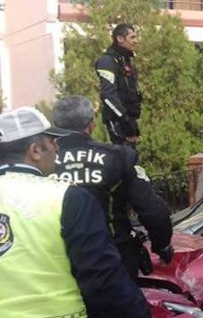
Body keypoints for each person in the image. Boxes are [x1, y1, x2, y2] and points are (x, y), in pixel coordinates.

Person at [0, 107, 149, 317]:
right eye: (52, 141)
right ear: (35, 151)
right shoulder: (66, 198)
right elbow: (103, 281)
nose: (57, 148)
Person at [52, 95, 173, 280]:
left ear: (55, 124)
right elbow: (153, 212)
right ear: (91, 124)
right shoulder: (117, 157)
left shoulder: (40, 163)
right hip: (113, 259)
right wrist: (162, 246)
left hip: (56, 261)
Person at [95, 23, 142, 149]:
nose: (136, 41)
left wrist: (132, 122)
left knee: (133, 160)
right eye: (132, 37)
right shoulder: (107, 61)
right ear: (120, 39)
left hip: (130, 119)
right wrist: (125, 119)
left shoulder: (125, 60)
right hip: (117, 121)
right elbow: (108, 95)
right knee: (123, 159)